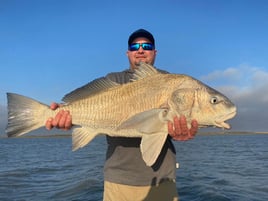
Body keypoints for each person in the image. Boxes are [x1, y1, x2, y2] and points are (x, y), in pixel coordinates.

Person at [45, 29, 198, 201]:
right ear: (128, 53)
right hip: (118, 180)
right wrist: (64, 114)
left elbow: (171, 126)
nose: (140, 50)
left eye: (146, 46)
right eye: (135, 47)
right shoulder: (114, 79)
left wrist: (182, 132)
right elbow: (88, 107)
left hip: (162, 179)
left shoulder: (170, 81)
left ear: (155, 52)